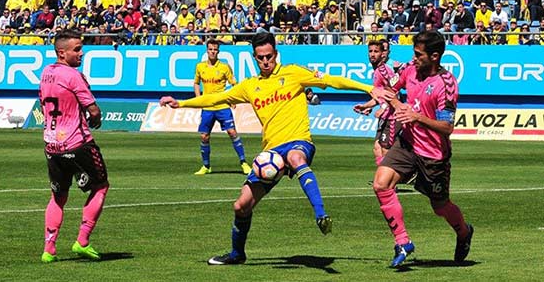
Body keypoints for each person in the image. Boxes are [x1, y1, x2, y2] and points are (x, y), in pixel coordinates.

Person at [160, 32, 391, 265]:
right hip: (271, 153)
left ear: (276, 54)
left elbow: (332, 80)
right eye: (260, 58)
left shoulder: (293, 72)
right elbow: (217, 98)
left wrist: (367, 88)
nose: (266, 62)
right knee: (241, 206)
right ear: (254, 58)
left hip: (299, 141)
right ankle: (237, 254)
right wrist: (181, 103)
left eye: (269, 56)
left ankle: (321, 214)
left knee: (295, 157)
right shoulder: (250, 86)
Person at [371, 30, 473, 267]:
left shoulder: (446, 85)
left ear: (435, 56)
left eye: (419, 54)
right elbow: (391, 89)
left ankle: (464, 232)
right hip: (407, 143)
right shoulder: (410, 69)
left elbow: (447, 127)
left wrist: (416, 117)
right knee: (381, 183)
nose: (414, 58)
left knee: (440, 206)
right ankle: (403, 242)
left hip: (433, 154)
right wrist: (378, 99)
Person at [39, 29, 108, 263]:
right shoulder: (73, 76)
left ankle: (49, 250)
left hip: (52, 145)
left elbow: (43, 104)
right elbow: (94, 110)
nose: (81, 53)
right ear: (62, 52)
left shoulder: (46, 72)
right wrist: (96, 118)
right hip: (78, 143)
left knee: (58, 196)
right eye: (76, 49)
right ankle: (83, 240)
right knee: (100, 186)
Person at [192, 39, 251, 175]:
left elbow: (234, 83)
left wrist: (233, 99)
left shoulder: (224, 67)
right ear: (207, 51)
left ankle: (243, 163)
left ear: (218, 51)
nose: (213, 52)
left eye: (215, 49)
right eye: (210, 49)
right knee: (204, 136)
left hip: (222, 105)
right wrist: (198, 98)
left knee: (232, 132)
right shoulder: (200, 67)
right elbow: (196, 83)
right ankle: (206, 166)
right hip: (207, 107)